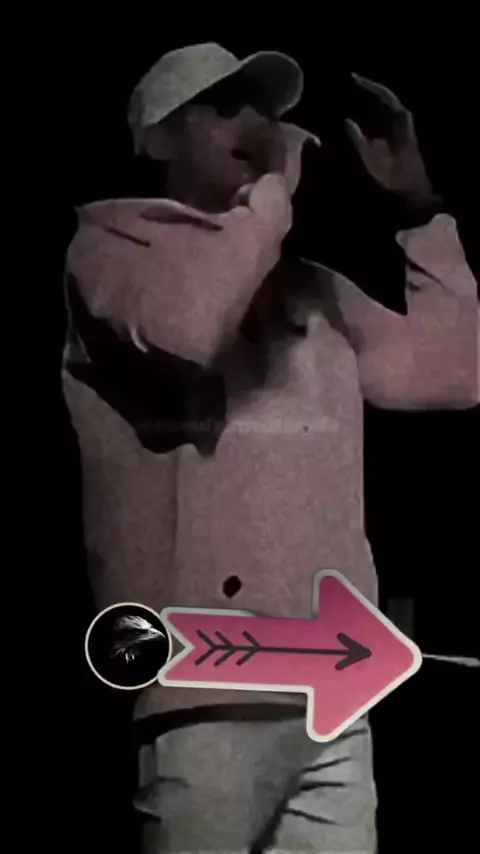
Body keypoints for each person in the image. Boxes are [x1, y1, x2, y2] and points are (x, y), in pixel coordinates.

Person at [62, 43, 478, 853]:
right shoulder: (110, 250)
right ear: (156, 138)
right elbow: (190, 329)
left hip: (333, 689)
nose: (256, 123)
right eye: (223, 106)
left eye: (264, 107)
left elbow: (457, 373)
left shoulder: (307, 286)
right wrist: (270, 200)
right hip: (206, 691)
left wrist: (420, 210)